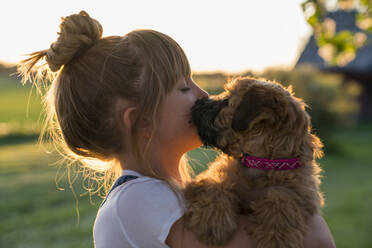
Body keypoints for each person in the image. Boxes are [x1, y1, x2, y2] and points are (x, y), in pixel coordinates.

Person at [18, 11, 336, 248]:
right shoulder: (135, 200)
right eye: (184, 88)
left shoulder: (172, 190)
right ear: (141, 121)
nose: (203, 96)